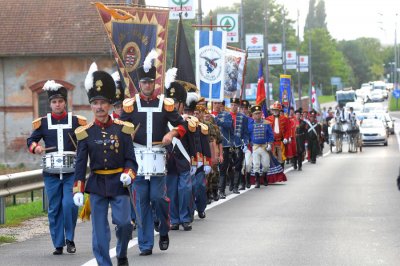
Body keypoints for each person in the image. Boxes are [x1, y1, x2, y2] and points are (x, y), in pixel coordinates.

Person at [120, 50, 187, 256]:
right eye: (144, 82)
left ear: (154, 84)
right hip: (138, 158)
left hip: (158, 156)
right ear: (139, 84)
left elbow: (183, 125)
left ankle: (164, 229)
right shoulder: (130, 106)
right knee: (141, 201)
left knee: (157, 198)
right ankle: (145, 244)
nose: (147, 86)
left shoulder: (164, 104)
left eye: (150, 82)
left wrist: (172, 133)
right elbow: (121, 128)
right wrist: (127, 136)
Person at [72, 63, 136, 266]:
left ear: (109, 105)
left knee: (125, 224)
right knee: (99, 232)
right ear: (91, 106)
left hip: (119, 183)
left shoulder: (123, 130)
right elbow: (80, 164)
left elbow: (131, 160)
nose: (99, 107)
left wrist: (128, 173)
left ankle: (122, 253)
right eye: (95, 103)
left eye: (103, 103)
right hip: (98, 184)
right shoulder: (85, 133)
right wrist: (78, 190)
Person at [27, 80, 86, 255]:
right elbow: (31, 141)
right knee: (54, 208)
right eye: (54, 102)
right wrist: (36, 147)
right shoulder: (43, 123)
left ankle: (70, 238)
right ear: (50, 104)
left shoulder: (77, 121)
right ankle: (58, 243)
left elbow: (84, 140)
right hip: (51, 173)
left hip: (71, 172)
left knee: (69, 205)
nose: (57, 104)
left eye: (60, 101)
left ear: (65, 102)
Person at [164, 81, 195, 231]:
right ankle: (174, 219)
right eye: (172, 102)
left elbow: (193, 142)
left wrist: (195, 160)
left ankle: (185, 218)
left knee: (185, 190)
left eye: (176, 102)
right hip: (169, 162)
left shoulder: (187, 121)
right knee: (171, 192)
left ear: (181, 104)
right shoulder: (163, 120)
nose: (174, 105)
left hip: (183, 161)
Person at [212, 100, 234, 199]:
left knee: (222, 169)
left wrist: (217, 120)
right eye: (214, 103)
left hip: (224, 145)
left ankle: (221, 191)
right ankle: (212, 191)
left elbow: (229, 125)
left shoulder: (226, 115)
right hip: (211, 146)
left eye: (218, 103)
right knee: (212, 170)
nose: (216, 105)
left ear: (221, 104)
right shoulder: (208, 115)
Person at [248, 105, 274, 188]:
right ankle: (257, 181)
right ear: (252, 115)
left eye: (259, 113)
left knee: (266, 165)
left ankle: (265, 176)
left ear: (261, 114)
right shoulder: (250, 124)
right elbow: (248, 135)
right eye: (255, 114)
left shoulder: (266, 123)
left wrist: (270, 144)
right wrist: (248, 142)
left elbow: (271, 135)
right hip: (255, 147)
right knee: (256, 164)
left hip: (264, 147)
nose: (257, 115)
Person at [228, 98, 249, 194]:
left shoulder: (243, 117)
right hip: (228, 145)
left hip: (239, 144)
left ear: (238, 106)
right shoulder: (226, 116)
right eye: (232, 105)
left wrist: (245, 142)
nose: (233, 107)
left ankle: (236, 185)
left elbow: (245, 132)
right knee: (229, 165)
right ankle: (231, 182)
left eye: (235, 105)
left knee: (238, 166)